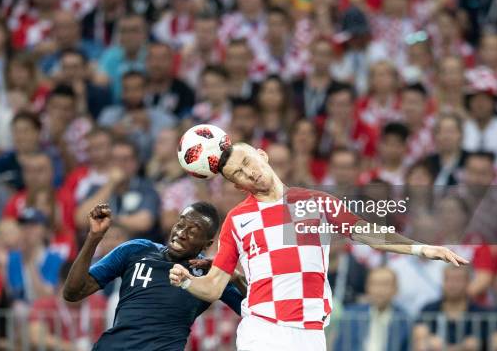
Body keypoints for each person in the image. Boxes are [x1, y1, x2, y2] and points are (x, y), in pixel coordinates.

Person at [169, 141, 468, 350]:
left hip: (311, 332)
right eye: (239, 174)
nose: (249, 172)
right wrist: (185, 282)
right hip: (263, 330)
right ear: (236, 185)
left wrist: (421, 248)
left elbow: (366, 233)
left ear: (262, 155)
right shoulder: (237, 219)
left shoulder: (314, 202)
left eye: (248, 162)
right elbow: (212, 287)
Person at [63, 203, 245, 350]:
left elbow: (255, 310)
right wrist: (94, 238)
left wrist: (235, 278)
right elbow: (73, 293)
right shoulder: (136, 249)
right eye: (180, 224)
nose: (181, 233)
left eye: (193, 231)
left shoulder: (209, 274)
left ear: (207, 243)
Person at [30, 261, 107, 351]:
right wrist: (73, 348)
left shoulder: (100, 303)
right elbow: (35, 337)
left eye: (82, 287)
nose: (79, 294)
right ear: (61, 284)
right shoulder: (44, 306)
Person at [335, 267, 411, 351]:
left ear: (395, 289)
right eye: (375, 284)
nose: (380, 290)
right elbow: (340, 346)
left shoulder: (404, 319)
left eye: (385, 284)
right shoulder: (351, 314)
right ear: (367, 287)